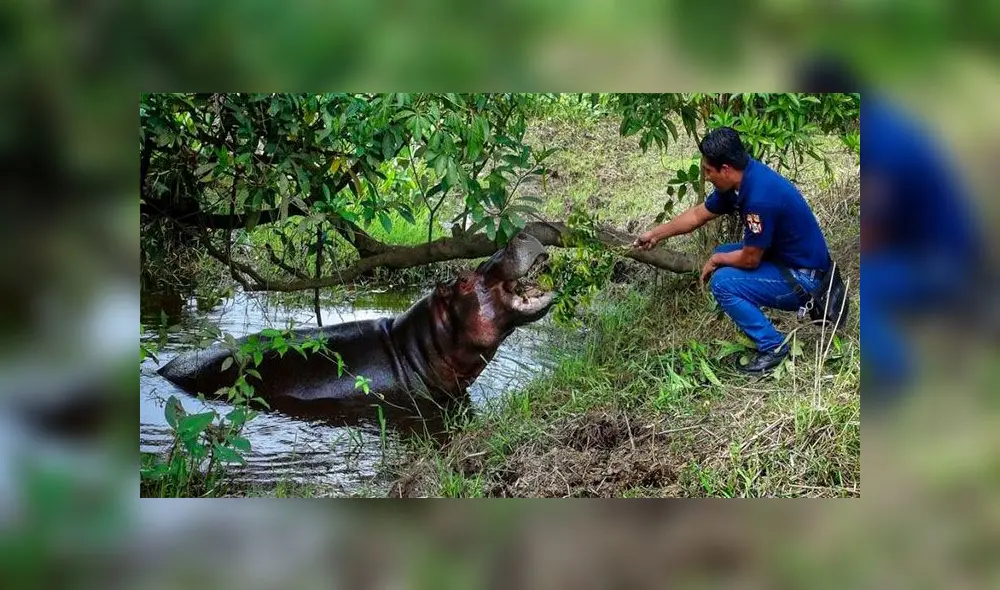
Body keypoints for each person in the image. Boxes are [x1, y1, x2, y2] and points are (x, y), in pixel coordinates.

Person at [633, 126, 834, 373]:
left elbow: (750, 260)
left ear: (725, 169)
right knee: (726, 254)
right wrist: (654, 235)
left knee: (723, 282)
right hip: (791, 261)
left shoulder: (759, 198)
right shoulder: (742, 181)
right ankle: (761, 325)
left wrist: (717, 259)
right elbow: (698, 215)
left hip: (806, 279)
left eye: (708, 170)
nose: (706, 176)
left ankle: (774, 348)